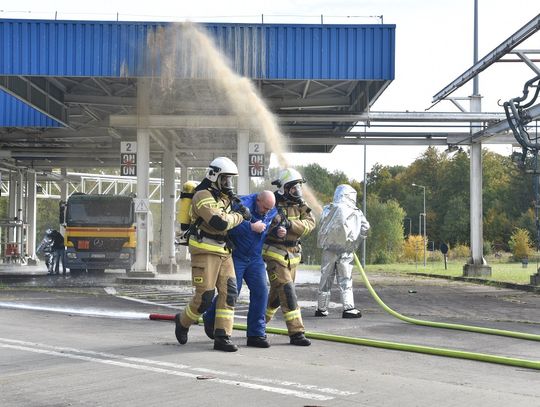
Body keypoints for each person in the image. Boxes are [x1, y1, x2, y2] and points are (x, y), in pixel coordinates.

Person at [174, 157, 251, 352]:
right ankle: (182, 321)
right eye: (225, 179)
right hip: (205, 250)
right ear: (214, 176)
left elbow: (226, 219)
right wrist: (240, 215)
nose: (228, 184)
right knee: (205, 298)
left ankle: (222, 337)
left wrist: (239, 209)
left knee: (230, 293)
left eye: (230, 180)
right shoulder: (202, 195)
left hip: (224, 251)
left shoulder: (224, 198)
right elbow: (220, 222)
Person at [203, 190, 278, 348]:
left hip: (255, 257)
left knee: (261, 292)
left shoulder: (272, 209)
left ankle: (256, 334)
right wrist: (250, 226)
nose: (267, 212)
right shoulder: (241, 204)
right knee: (232, 291)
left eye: (270, 209)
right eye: (265, 208)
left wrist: (278, 232)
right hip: (237, 255)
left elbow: (272, 226)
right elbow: (228, 225)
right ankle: (210, 317)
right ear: (257, 201)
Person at [263, 168, 315, 346]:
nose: (297, 192)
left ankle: (259, 323)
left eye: (298, 188)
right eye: (293, 188)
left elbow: (310, 223)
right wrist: (275, 228)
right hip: (274, 253)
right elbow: (262, 223)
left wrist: (290, 224)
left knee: (277, 296)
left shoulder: (300, 204)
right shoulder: (272, 203)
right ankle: (297, 333)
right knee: (287, 291)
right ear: (284, 188)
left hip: (293, 256)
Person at [315, 184, 370, 318]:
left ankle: (321, 308)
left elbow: (321, 226)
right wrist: (354, 243)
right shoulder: (355, 211)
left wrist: (325, 242)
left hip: (328, 250)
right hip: (345, 252)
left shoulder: (328, 208)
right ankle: (348, 309)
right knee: (345, 279)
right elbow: (365, 227)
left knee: (325, 279)